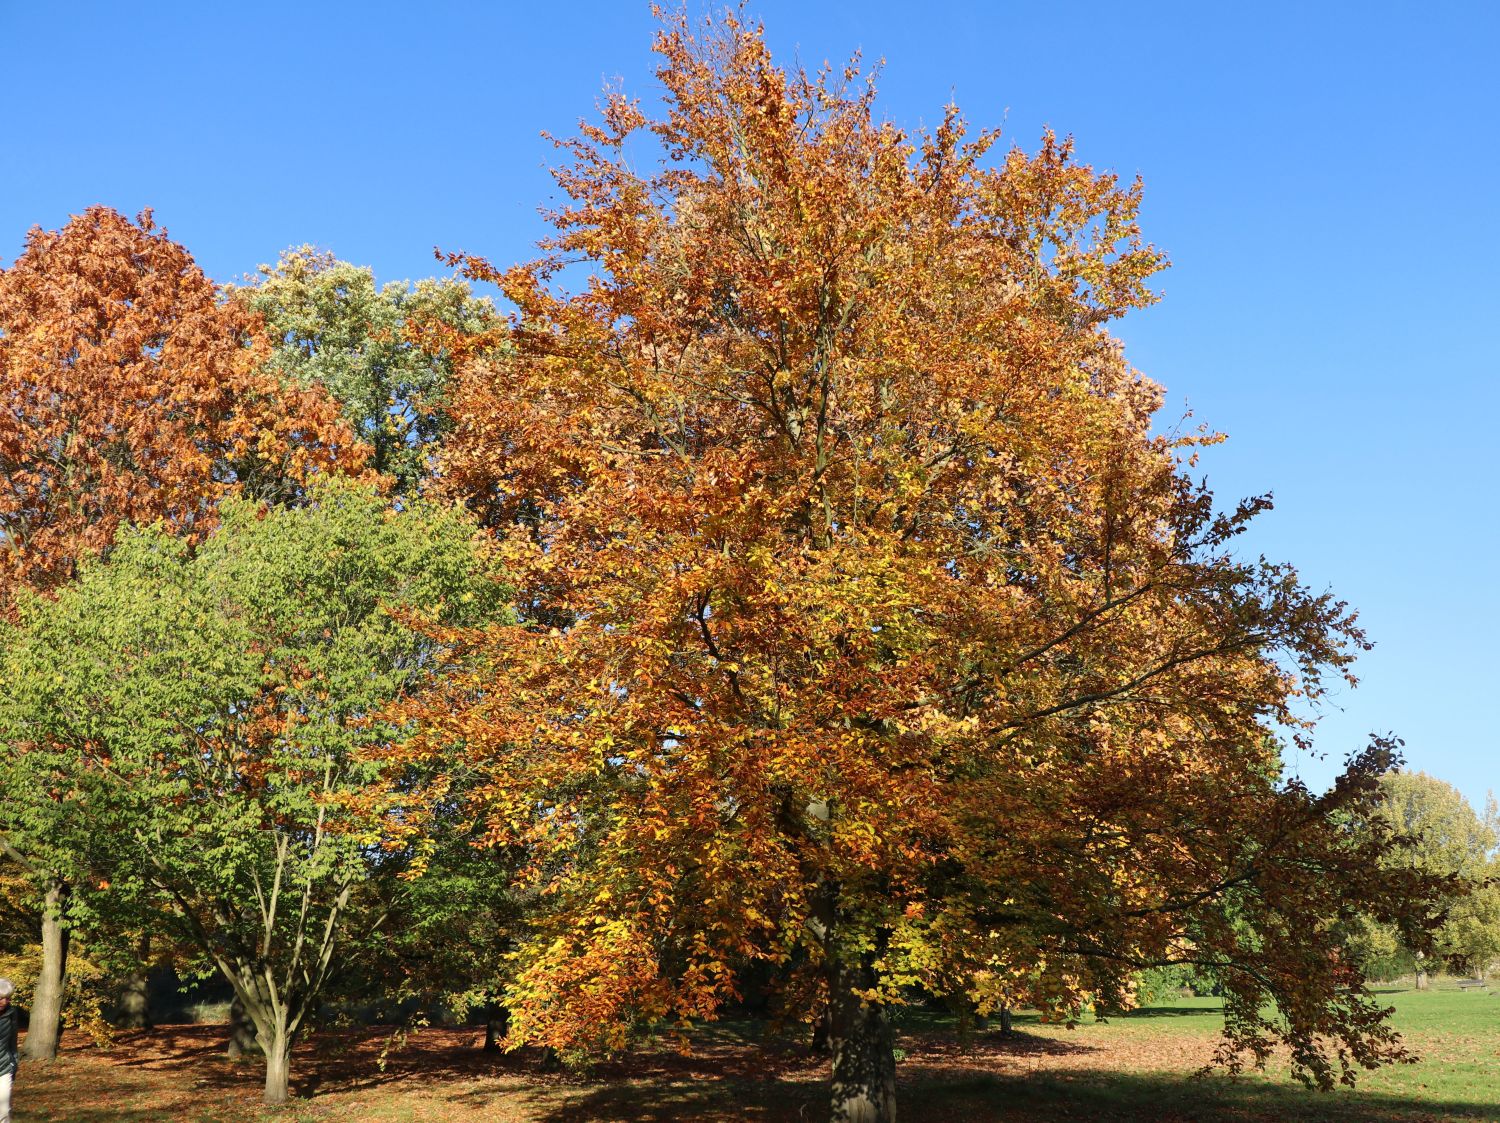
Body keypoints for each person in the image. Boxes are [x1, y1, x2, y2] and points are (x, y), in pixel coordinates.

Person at [0, 977, 16, 1123]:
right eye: (1, 998)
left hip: (4, 1068)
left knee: (4, 1111)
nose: (4, 1002)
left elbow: (13, 1044)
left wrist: (13, 1065)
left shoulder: (11, 1014)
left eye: (7, 998)